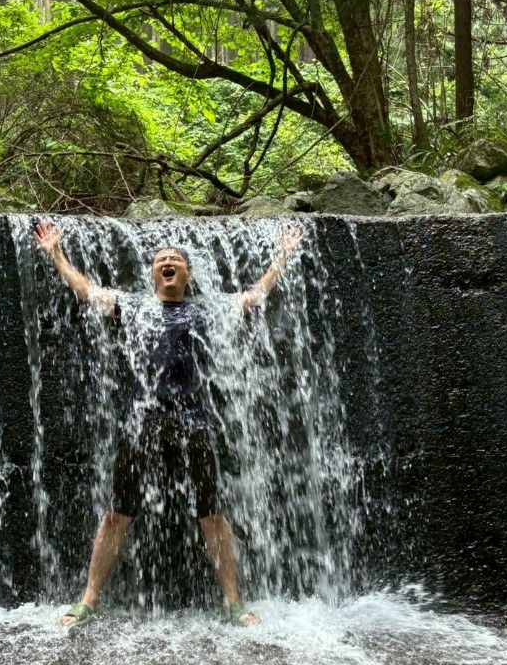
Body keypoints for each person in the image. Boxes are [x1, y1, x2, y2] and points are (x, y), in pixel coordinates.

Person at [33, 219, 305, 632]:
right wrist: (56, 253)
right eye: (161, 259)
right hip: (141, 419)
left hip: (192, 420)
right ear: (153, 273)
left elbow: (254, 297)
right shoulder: (134, 307)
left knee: (212, 513)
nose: (168, 261)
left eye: (176, 259)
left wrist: (282, 257)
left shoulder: (205, 308)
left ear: (187, 274)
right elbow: (86, 291)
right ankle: (89, 599)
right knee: (117, 514)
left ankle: (233, 602)